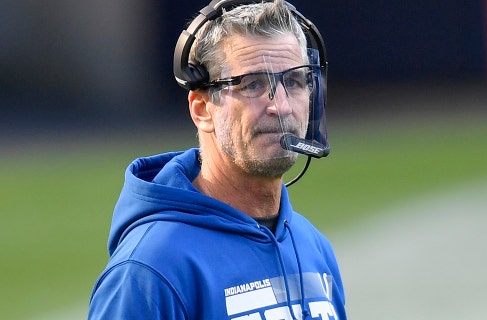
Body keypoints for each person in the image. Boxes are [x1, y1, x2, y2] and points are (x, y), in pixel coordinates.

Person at [87, 0, 347, 319]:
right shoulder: (150, 271)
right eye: (253, 85)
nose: (280, 106)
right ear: (201, 109)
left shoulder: (313, 247)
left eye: (293, 82)